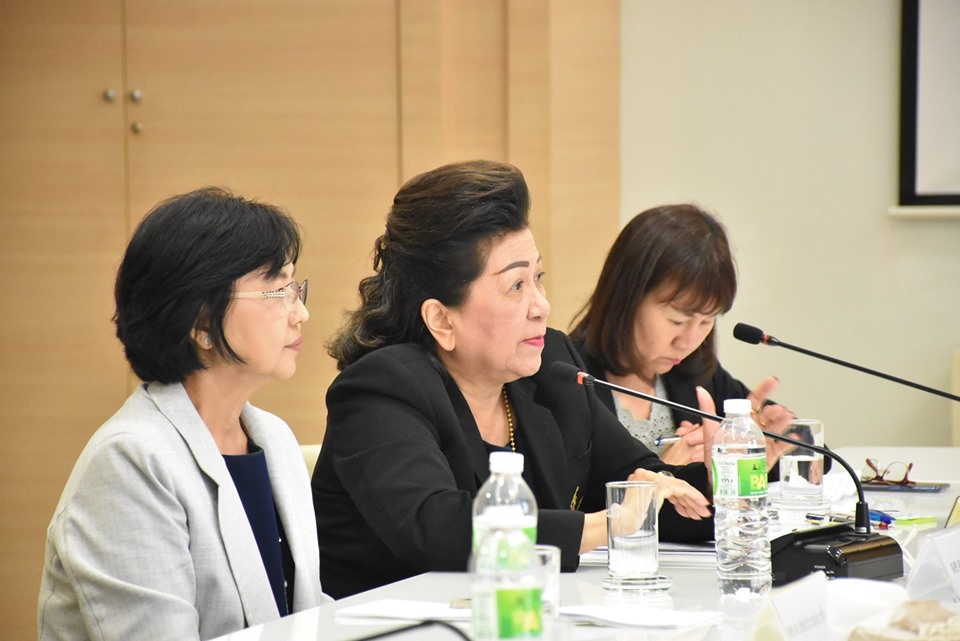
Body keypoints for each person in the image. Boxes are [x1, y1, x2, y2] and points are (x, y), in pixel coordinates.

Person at [312, 160, 714, 600]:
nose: (541, 306)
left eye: (538, 278)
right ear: (442, 320)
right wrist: (609, 523)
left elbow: (638, 483)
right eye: (516, 286)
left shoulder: (550, 365)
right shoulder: (381, 390)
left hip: (525, 616)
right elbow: (438, 527)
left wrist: (722, 479)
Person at [38, 188, 330, 641]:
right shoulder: (130, 461)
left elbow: (300, 613)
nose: (301, 313)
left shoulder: (274, 438)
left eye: (296, 289)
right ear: (200, 320)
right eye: (278, 291)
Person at [568, 204, 799, 474]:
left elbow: (816, 456)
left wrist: (751, 444)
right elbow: (566, 495)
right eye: (677, 321)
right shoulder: (569, 380)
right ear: (626, 298)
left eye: (706, 321)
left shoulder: (696, 374)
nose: (689, 342)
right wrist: (666, 472)